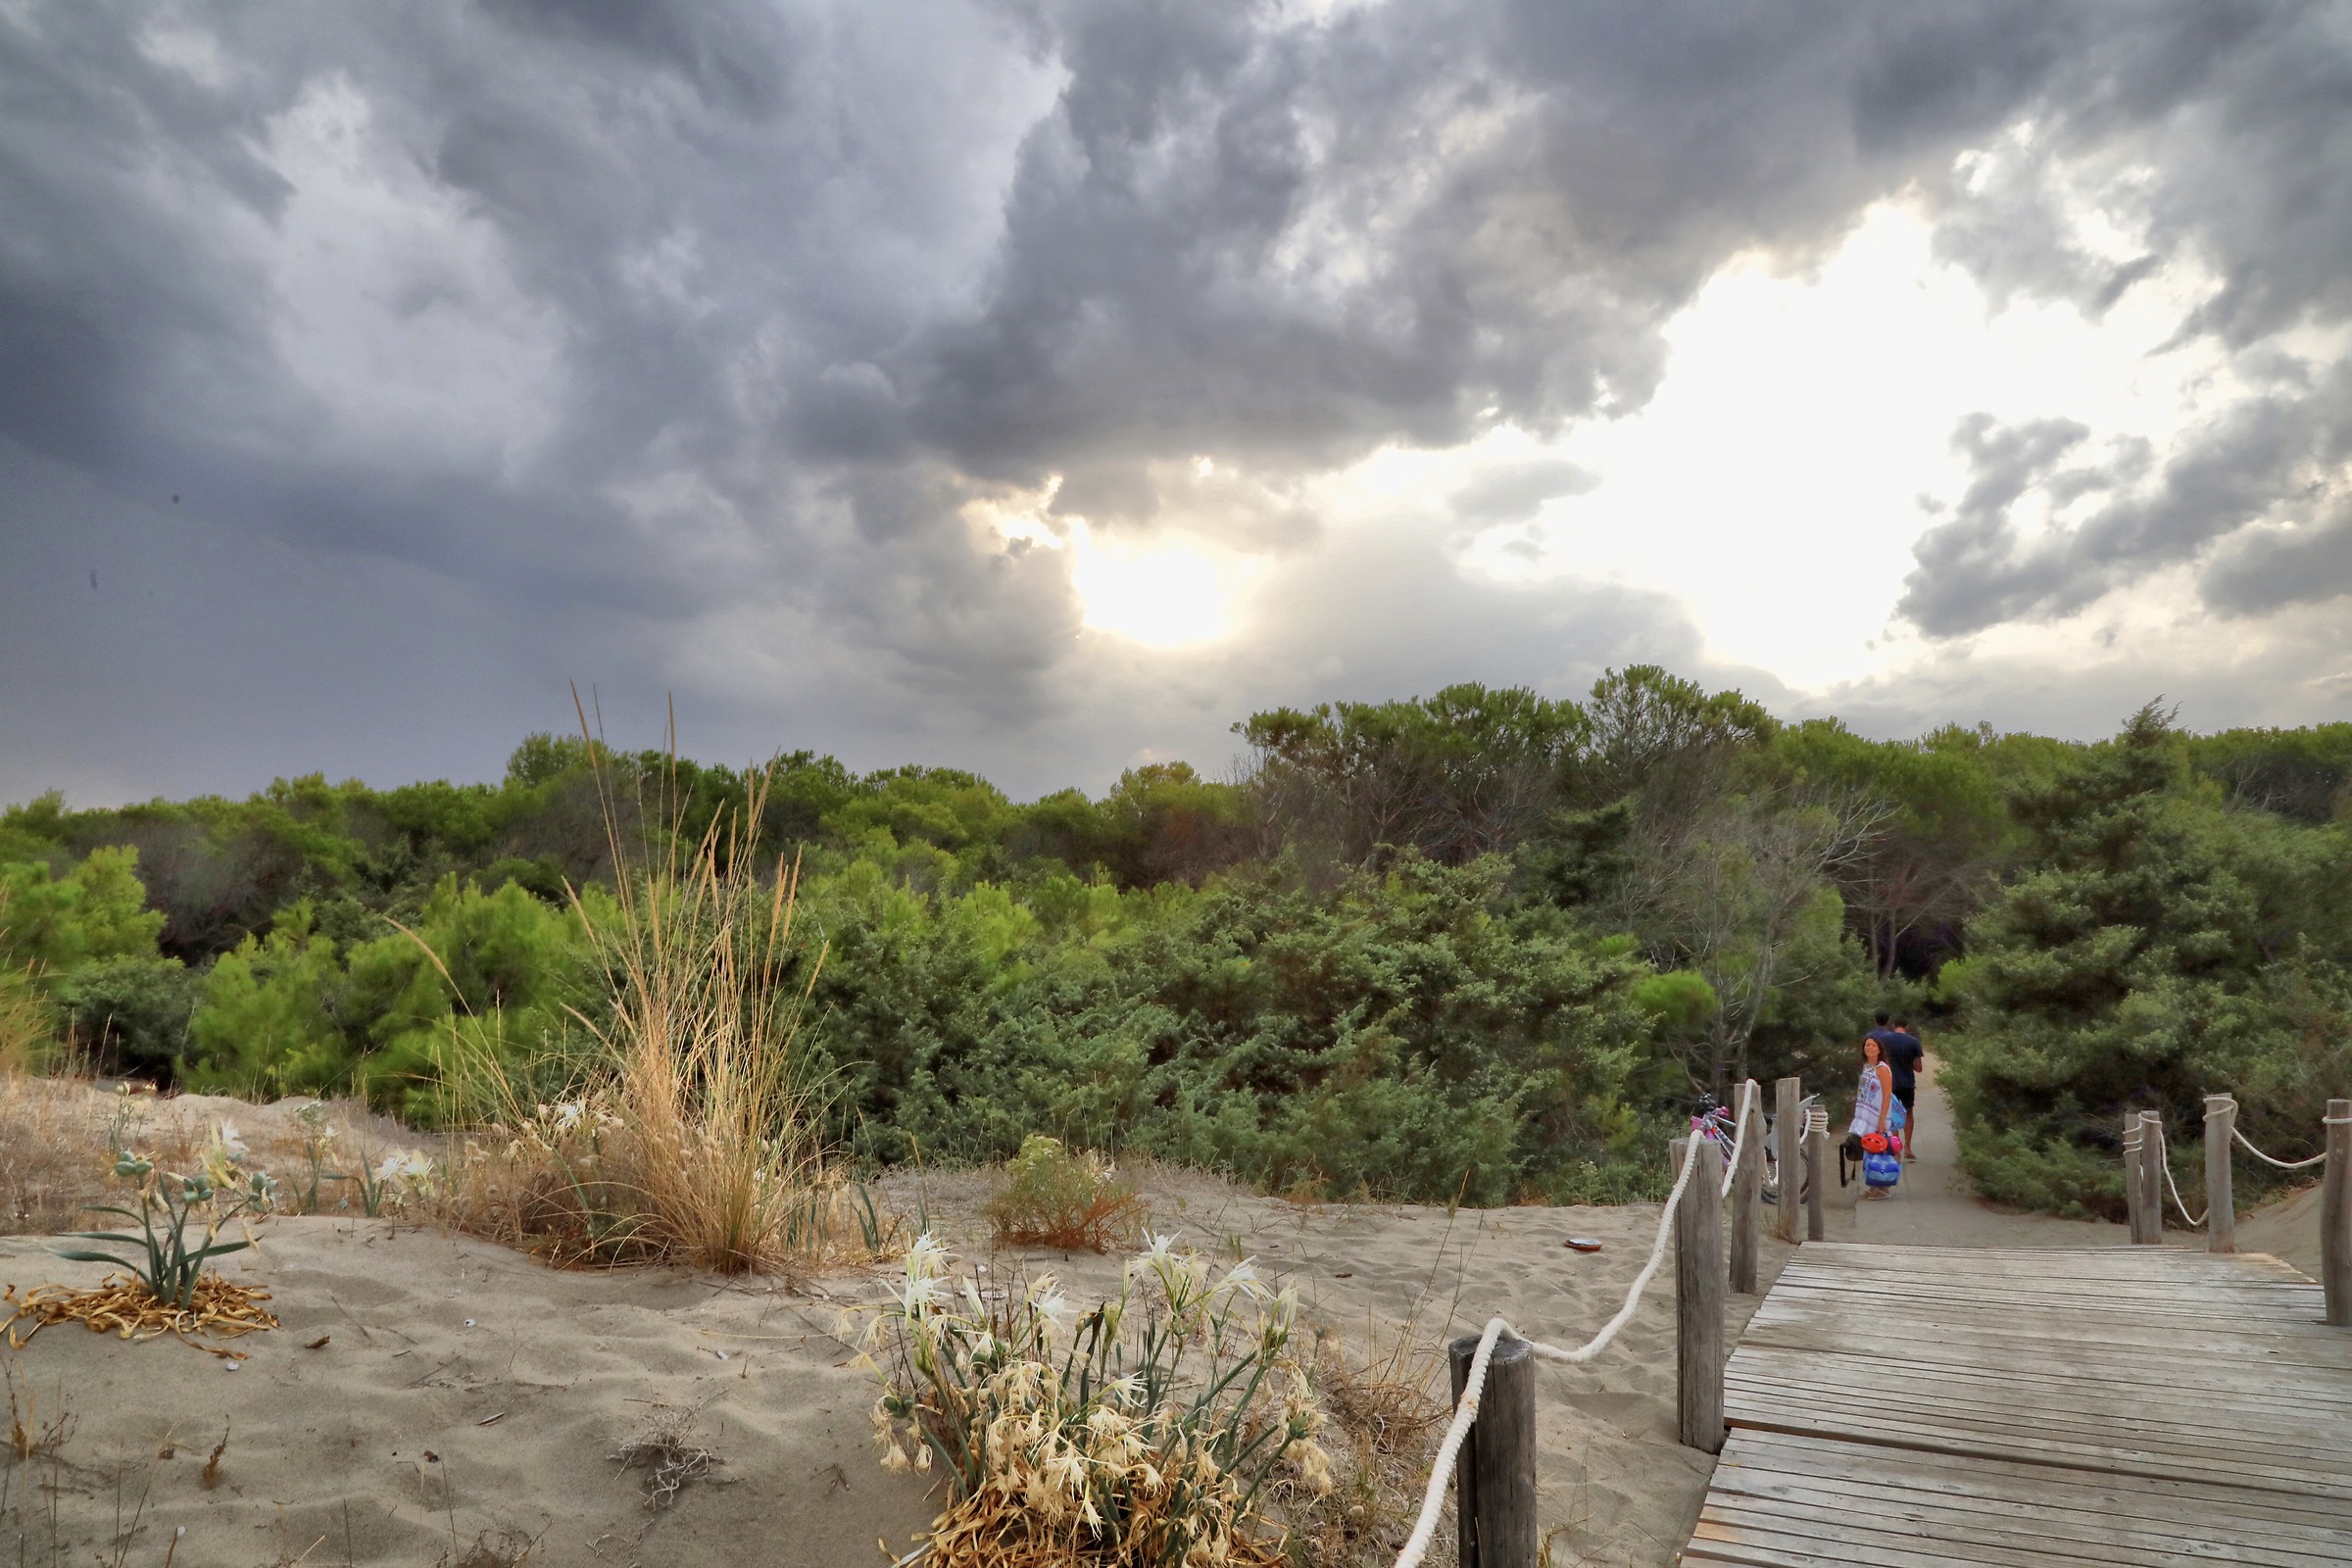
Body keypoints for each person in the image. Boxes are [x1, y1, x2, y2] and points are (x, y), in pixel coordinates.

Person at [1851, 1036, 1901, 1200]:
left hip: (1878, 1115)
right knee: (1870, 1150)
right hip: (1865, 1115)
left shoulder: (1882, 1069)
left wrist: (1882, 1120)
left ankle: (1884, 1187)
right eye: (1867, 1045)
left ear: (1879, 1049)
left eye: (1873, 1045)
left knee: (1881, 1151)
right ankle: (1873, 1185)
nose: (1870, 1048)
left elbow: (1887, 1094)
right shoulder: (1867, 1067)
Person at [1884, 1017, 1926, 1162]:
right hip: (1907, 1083)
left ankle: (1896, 1150)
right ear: (1907, 1026)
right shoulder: (1913, 1042)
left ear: (1894, 1025)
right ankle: (1907, 1147)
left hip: (1890, 1082)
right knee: (1908, 1113)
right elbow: (1919, 1068)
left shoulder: (1885, 1040)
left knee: (1893, 1115)